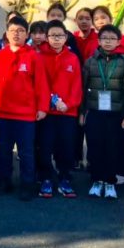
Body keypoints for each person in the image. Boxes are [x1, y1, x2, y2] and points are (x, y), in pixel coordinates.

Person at [0, 16, 48, 200]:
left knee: (26, 152)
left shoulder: (34, 56)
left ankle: (27, 184)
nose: (16, 34)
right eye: (13, 31)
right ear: (7, 34)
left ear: (27, 34)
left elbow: (41, 84)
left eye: (21, 31)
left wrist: (42, 107)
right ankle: (4, 181)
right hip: (4, 113)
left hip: (26, 115)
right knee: (4, 150)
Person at [80, 24, 124, 200]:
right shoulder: (90, 61)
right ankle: (97, 180)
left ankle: (110, 181)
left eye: (112, 39)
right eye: (104, 38)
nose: (108, 42)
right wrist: (82, 112)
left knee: (112, 147)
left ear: (118, 41)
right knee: (95, 146)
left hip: (116, 114)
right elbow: (83, 88)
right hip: (95, 112)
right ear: (99, 41)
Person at [35, 20, 82, 198]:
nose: (56, 39)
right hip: (46, 112)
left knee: (66, 147)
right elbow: (39, 84)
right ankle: (46, 178)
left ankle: (65, 178)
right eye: (52, 35)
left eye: (60, 35)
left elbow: (77, 86)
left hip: (67, 113)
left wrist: (68, 104)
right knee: (45, 147)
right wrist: (49, 101)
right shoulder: (39, 57)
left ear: (66, 37)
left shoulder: (72, 58)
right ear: (46, 37)